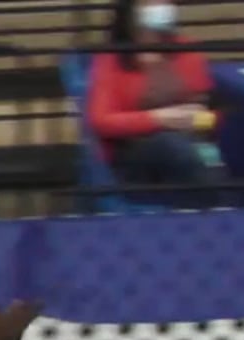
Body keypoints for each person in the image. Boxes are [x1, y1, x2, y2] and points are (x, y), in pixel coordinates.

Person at [86, 0, 224, 194]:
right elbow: (101, 121)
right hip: (135, 150)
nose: (161, 5)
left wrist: (200, 120)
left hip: (193, 141)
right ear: (132, 12)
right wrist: (160, 119)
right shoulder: (112, 58)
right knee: (174, 147)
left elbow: (213, 112)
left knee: (208, 158)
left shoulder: (186, 48)